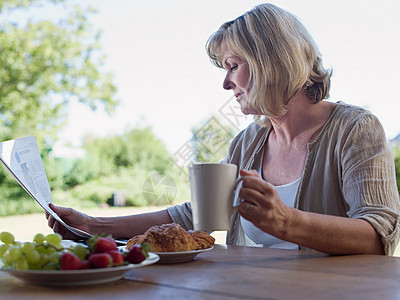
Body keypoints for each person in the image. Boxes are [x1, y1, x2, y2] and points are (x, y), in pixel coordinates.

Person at [46, 3, 400, 255]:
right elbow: (198, 216)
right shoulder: (248, 142)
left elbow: (378, 235)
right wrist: (92, 226)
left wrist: (286, 221)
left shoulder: (355, 129)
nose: (227, 83)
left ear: (271, 62)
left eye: (233, 65)